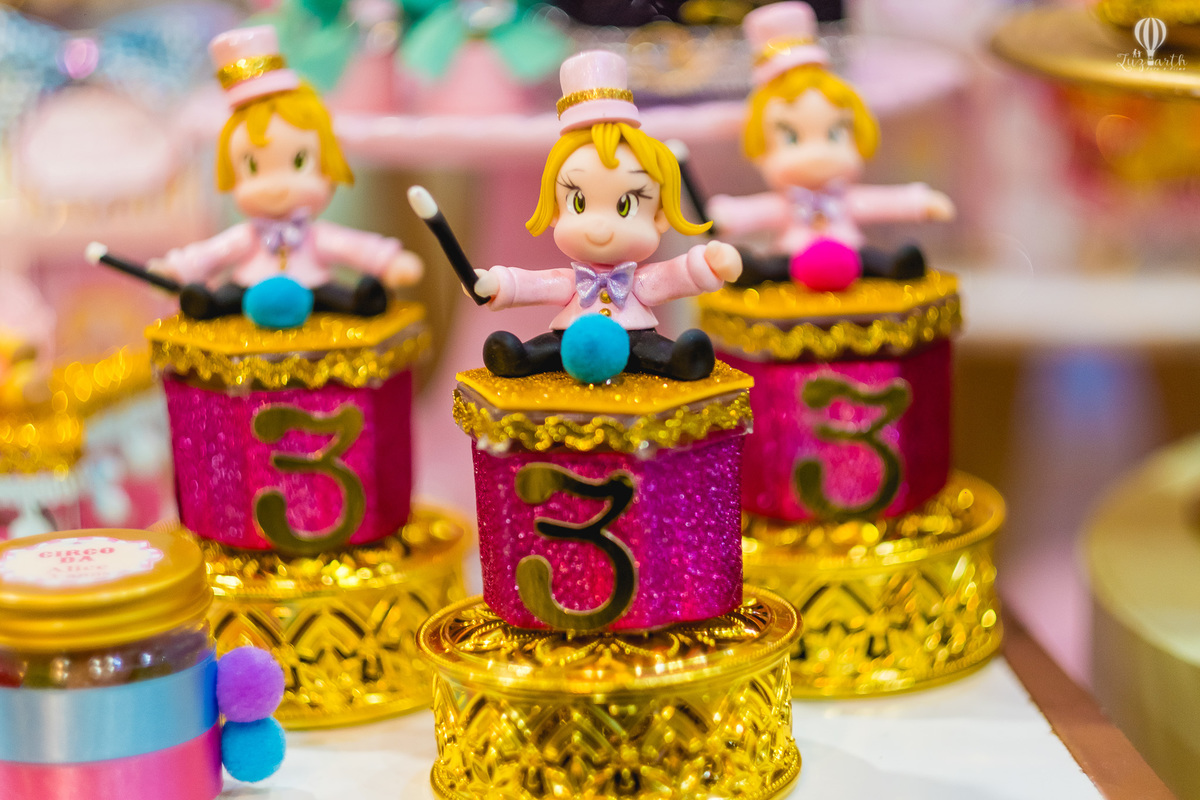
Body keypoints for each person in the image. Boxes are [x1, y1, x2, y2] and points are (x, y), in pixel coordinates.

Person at [473, 50, 742, 381]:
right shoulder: (571, 283)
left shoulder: (639, 284)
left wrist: (709, 264)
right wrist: (497, 284)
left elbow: (676, 274)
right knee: (550, 347)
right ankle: (519, 359)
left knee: (651, 349)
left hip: (634, 333)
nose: (600, 226)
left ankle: (681, 360)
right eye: (579, 203)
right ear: (555, 211)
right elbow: (534, 285)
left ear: (659, 217)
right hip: (574, 337)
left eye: (625, 207)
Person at [152, 26, 421, 320]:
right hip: (250, 288)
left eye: (299, 163)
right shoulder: (246, 237)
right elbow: (212, 253)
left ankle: (364, 302)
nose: (276, 186)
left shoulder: (316, 237)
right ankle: (206, 304)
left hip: (312, 286)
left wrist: (387, 261)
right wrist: (177, 270)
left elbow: (353, 246)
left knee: (342, 299)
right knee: (222, 300)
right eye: (252, 168)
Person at [709, 2, 954, 291]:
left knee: (871, 258)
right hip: (793, 257)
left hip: (850, 254)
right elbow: (752, 212)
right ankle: (754, 271)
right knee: (773, 266)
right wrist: (724, 215)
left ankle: (897, 267)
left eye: (835, 134)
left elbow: (885, 201)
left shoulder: (846, 199)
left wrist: (919, 202)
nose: (818, 155)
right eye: (792, 138)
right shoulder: (786, 205)